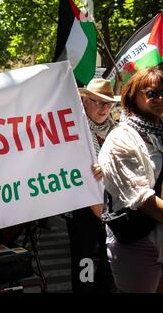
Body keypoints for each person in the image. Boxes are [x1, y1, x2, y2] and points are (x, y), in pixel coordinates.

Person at [99, 66, 163, 293]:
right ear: (133, 96)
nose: (160, 98)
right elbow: (141, 199)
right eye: (152, 93)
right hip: (138, 242)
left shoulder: (160, 134)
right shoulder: (121, 138)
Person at [64, 78, 118, 293]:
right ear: (85, 101)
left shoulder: (117, 131)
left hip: (111, 206)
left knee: (109, 259)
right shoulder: (73, 130)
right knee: (85, 259)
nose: (104, 108)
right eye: (98, 102)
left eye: (108, 103)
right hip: (82, 208)